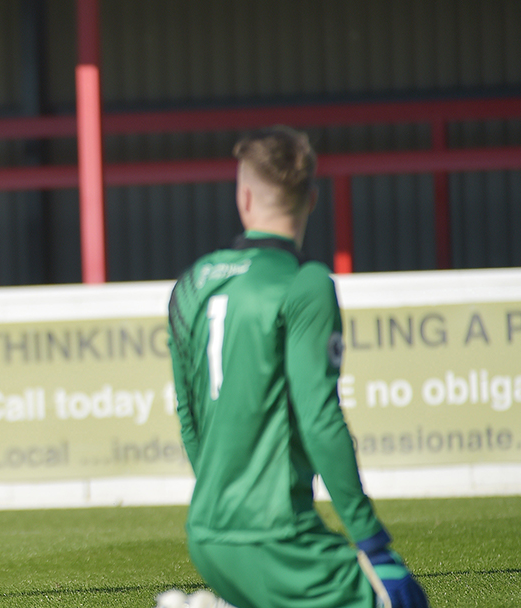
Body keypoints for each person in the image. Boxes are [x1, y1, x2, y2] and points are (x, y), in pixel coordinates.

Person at [166, 126, 429, 608]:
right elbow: (320, 416)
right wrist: (371, 540)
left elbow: (187, 411)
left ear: (244, 197)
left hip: (206, 533)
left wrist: (221, 501)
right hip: (274, 534)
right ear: (311, 199)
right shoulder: (305, 283)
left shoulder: (193, 282)